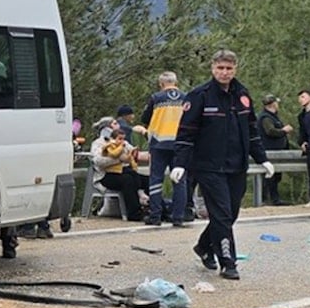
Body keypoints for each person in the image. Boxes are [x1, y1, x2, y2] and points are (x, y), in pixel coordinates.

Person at [170, 50, 274, 280]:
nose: (224, 72)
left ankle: (204, 245)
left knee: (230, 214)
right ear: (212, 68)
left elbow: (252, 131)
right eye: (220, 68)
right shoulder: (199, 96)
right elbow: (185, 134)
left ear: (235, 69)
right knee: (222, 214)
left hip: (237, 165)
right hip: (208, 166)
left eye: (228, 68)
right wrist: (180, 164)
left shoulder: (242, 94)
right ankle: (228, 262)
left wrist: (263, 158)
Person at [138, 71, 188, 225]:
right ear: (176, 82)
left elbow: (145, 118)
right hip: (180, 144)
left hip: (159, 143)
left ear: (161, 84)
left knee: (156, 180)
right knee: (179, 181)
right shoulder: (186, 97)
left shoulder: (156, 98)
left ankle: (155, 216)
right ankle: (178, 217)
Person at [91, 123, 144, 222]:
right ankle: (134, 213)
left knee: (142, 178)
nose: (118, 125)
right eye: (114, 123)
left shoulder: (122, 141)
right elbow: (98, 161)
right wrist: (120, 160)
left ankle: (159, 210)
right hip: (105, 175)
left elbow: (132, 152)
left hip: (122, 171)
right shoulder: (98, 144)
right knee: (127, 180)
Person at [256, 94, 294, 205]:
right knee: (270, 177)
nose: (278, 105)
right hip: (270, 151)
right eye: (276, 103)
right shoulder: (266, 118)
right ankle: (270, 199)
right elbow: (270, 131)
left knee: (274, 177)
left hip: (276, 151)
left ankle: (271, 199)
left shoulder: (272, 117)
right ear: (272, 104)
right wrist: (284, 130)